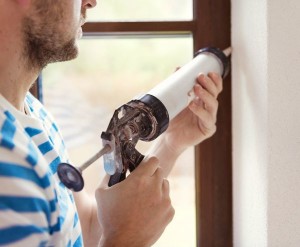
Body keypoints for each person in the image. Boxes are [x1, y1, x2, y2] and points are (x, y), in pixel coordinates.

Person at [0, 0, 223, 246]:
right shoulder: (6, 162)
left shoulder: (33, 114)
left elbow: (90, 229)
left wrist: (171, 144)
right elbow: (114, 236)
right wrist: (128, 240)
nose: (91, 2)